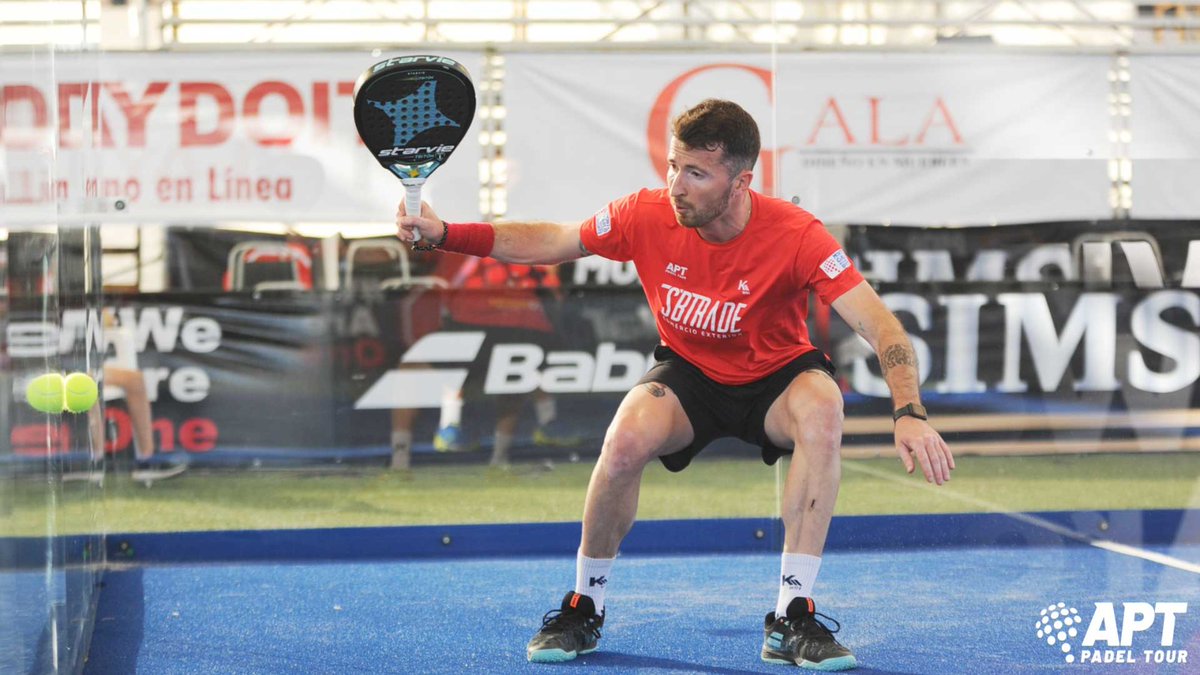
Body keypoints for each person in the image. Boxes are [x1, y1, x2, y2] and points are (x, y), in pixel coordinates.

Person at [396, 99, 955, 670]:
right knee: (624, 441)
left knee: (824, 407)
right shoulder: (645, 214)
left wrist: (909, 411)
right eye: (671, 166)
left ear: (741, 181)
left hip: (776, 378)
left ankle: (794, 614)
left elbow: (881, 325)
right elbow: (554, 240)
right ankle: (583, 603)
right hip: (689, 374)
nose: (675, 186)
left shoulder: (797, 234)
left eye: (695, 173)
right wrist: (444, 233)